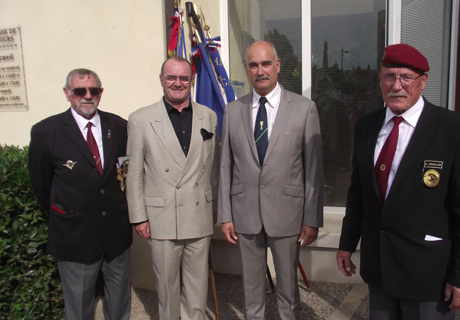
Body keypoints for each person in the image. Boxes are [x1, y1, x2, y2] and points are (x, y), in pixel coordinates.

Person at [336, 43, 460, 319]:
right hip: (379, 266)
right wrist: (347, 243)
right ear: (380, 79)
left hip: (428, 272)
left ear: (423, 81)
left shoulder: (454, 130)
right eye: (389, 76)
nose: (396, 85)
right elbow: (359, 194)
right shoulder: (367, 125)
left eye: (406, 77)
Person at [218, 40, 324, 319]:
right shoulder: (233, 111)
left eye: (266, 63)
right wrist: (225, 215)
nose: (260, 70)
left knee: (288, 288)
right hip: (245, 214)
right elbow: (225, 166)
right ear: (246, 69)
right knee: (251, 288)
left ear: (277, 66)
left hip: (287, 214)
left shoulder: (304, 108)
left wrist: (311, 217)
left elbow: (313, 168)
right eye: (253, 65)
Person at [28, 68, 132, 320]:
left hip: (116, 234)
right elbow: (42, 185)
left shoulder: (119, 126)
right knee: (79, 307)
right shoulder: (46, 132)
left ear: (101, 93)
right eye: (79, 91)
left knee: (119, 303)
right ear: (67, 94)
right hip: (74, 235)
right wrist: (68, 212)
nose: (87, 96)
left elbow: (124, 174)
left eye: (93, 90)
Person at [126, 57, 219, 320]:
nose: (177, 83)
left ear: (192, 81)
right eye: (171, 78)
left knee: (197, 288)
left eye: (183, 78)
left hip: (199, 214)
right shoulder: (140, 119)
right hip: (161, 219)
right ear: (161, 80)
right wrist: (139, 216)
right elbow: (134, 174)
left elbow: (214, 167)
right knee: (167, 290)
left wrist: (215, 207)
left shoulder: (208, 116)